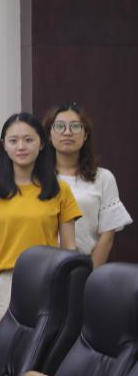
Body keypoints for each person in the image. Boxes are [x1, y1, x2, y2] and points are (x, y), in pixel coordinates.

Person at [0, 112, 82, 332]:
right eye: (13, 140)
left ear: (42, 143)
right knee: (4, 350)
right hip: (4, 283)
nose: (21, 146)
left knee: (43, 349)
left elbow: (69, 247)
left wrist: (68, 291)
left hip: (49, 282)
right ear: (4, 145)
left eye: (28, 139)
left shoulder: (60, 189)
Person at [45, 102, 130, 267]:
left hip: (84, 265)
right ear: (49, 134)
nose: (67, 132)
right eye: (60, 126)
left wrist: (88, 274)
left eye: (75, 126)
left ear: (85, 135)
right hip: (41, 267)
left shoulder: (103, 178)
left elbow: (107, 236)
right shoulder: (37, 178)